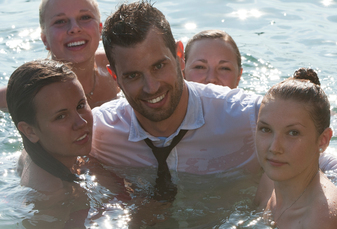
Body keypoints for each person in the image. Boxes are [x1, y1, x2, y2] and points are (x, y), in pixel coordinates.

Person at [91, 0, 262, 197]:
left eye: (159, 66)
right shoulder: (98, 132)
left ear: (179, 55)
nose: (151, 87)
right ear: (115, 77)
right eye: (133, 75)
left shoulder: (246, 116)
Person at [254, 68, 337, 228]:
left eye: (293, 133)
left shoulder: (320, 219)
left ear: (323, 140)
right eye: (266, 129)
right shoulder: (271, 180)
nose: (274, 148)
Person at [7, 59, 93, 227]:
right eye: (61, 116)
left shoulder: (34, 153)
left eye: (81, 105)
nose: (81, 122)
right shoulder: (52, 197)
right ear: (30, 131)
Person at [0, 0, 119, 110]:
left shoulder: (117, 64)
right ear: (45, 39)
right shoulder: (28, 92)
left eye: (85, 17)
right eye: (60, 21)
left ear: (100, 30)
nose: (75, 28)